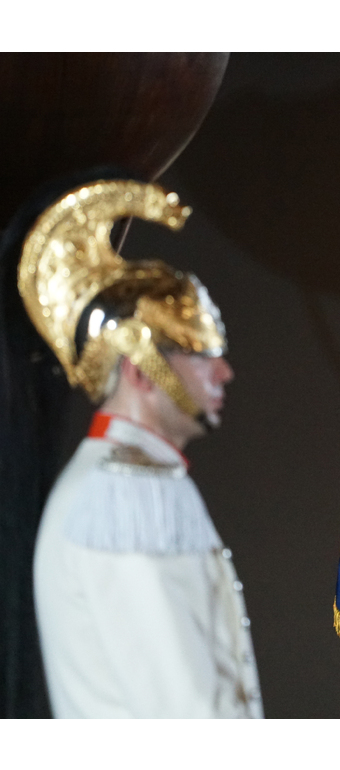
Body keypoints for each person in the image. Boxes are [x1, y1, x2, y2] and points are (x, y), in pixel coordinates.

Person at [22, 178, 263, 718]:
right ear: (140, 369)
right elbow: (182, 714)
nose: (224, 372)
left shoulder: (140, 481)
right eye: (200, 354)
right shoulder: (123, 500)